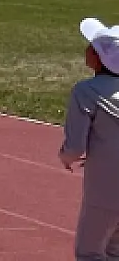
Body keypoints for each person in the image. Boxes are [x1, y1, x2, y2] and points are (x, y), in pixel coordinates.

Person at [61, 17, 119, 258]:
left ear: (99, 57)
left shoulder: (86, 92)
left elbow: (74, 147)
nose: (86, 50)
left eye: (91, 47)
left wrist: (65, 157)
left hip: (106, 187)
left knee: (90, 253)